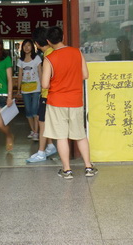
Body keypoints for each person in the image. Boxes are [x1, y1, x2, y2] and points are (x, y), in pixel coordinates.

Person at [42, 26, 98, 179]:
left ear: (48, 41)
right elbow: (85, 74)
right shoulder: (77, 52)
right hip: (75, 100)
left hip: (56, 102)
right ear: (63, 37)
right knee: (80, 135)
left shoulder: (49, 59)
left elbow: (45, 84)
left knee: (61, 136)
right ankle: (88, 167)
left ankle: (67, 170)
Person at [26, 27, 57, 163]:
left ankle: (41, 152)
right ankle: (50, 146)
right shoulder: (51, 52)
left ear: (36, 44)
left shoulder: (48, 56)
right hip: (49, 94)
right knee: (42, 119)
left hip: (48, 94)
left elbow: (46, 81)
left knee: (42, 122)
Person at [16, 38, 42, 141]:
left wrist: (43, 86)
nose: (26, 48)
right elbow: (20, 76)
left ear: (32, 47)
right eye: (24, 46)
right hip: (25, 89)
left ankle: (36, 132)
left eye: (29, 45)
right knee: (28, 110)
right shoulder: (20, 60)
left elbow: (40, 72)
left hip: (36, 88)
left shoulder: (37, 58)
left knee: (35, 109)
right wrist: (18, 89)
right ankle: (33, 131)